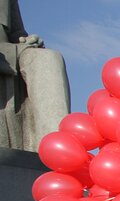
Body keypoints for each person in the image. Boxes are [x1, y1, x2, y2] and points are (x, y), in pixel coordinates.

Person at [0, 0, 71, 150]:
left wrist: (25, 40)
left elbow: (16, 33)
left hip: (9, 51)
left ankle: (56, 152)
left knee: (48, 58)